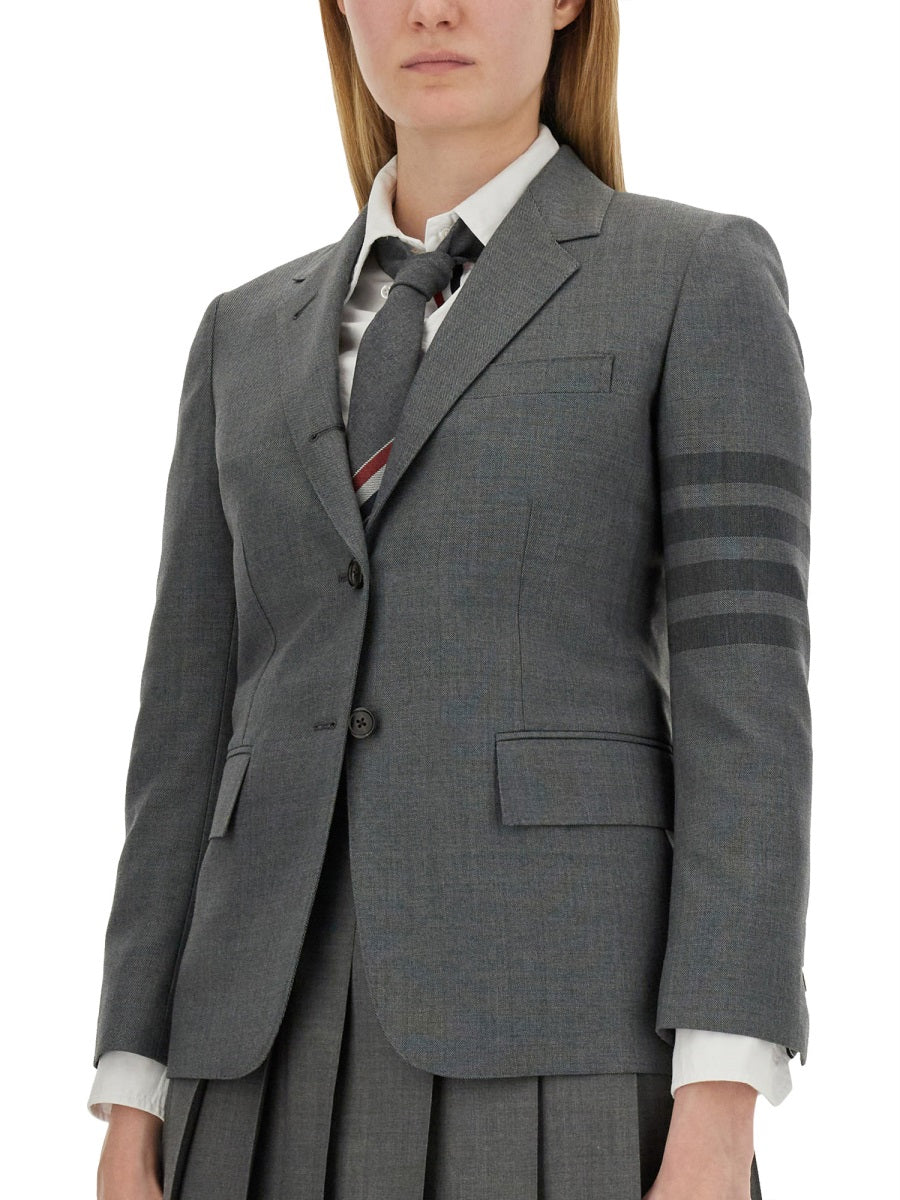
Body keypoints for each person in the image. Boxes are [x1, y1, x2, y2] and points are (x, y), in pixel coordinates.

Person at [90, 1, 813, 1197]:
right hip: (244, 1057)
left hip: (559, 1040)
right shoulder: (241, 334)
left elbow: (750, 709)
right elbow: (183, 732)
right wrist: (131, 1085)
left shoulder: (692, 275)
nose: (432, 9)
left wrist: (721, 1094)